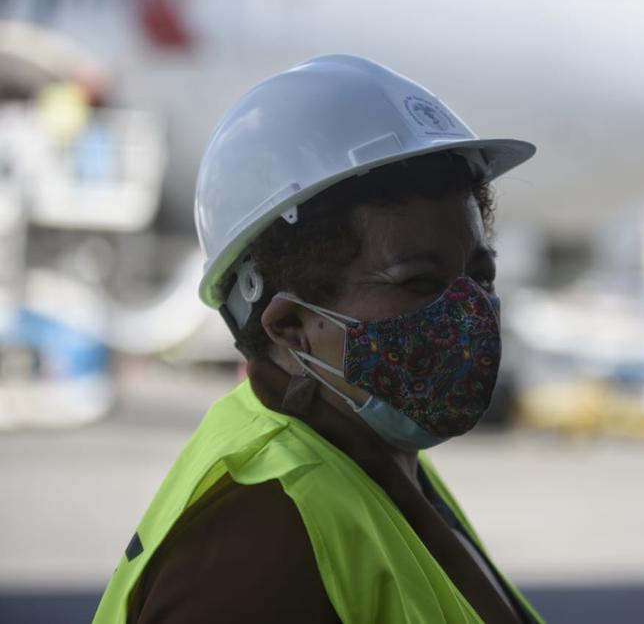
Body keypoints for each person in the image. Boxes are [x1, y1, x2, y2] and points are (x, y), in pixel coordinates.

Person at [93, 54, 543, 624]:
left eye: (480, 275)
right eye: (419, 282)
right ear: (289, 328)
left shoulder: (368, 457)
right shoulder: (259, 540)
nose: (469, 311)